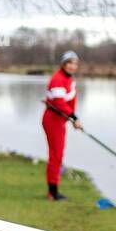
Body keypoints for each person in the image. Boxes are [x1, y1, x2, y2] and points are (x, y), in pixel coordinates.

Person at [41, 50, 84, 200]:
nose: (73, 66)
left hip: (61, 120)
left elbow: (66, 102)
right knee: (56, 155)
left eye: (75, 63)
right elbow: (59, 103)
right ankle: (53, 192)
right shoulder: (58, 79)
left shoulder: (69, 79)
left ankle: (53, 191)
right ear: (64, 64)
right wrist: (74, 117)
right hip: (53, 120)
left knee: (58, 155)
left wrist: (72, 120)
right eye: (70, 63)